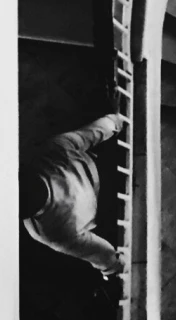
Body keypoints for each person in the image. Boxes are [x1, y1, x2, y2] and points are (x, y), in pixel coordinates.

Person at [21, 112, 127, 277]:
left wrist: (116, 265)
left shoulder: (47, 232)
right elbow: (93, 133)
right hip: (107, 174)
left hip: (109, 206)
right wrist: (116, 121)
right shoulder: (47, 152)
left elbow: (98, 252)